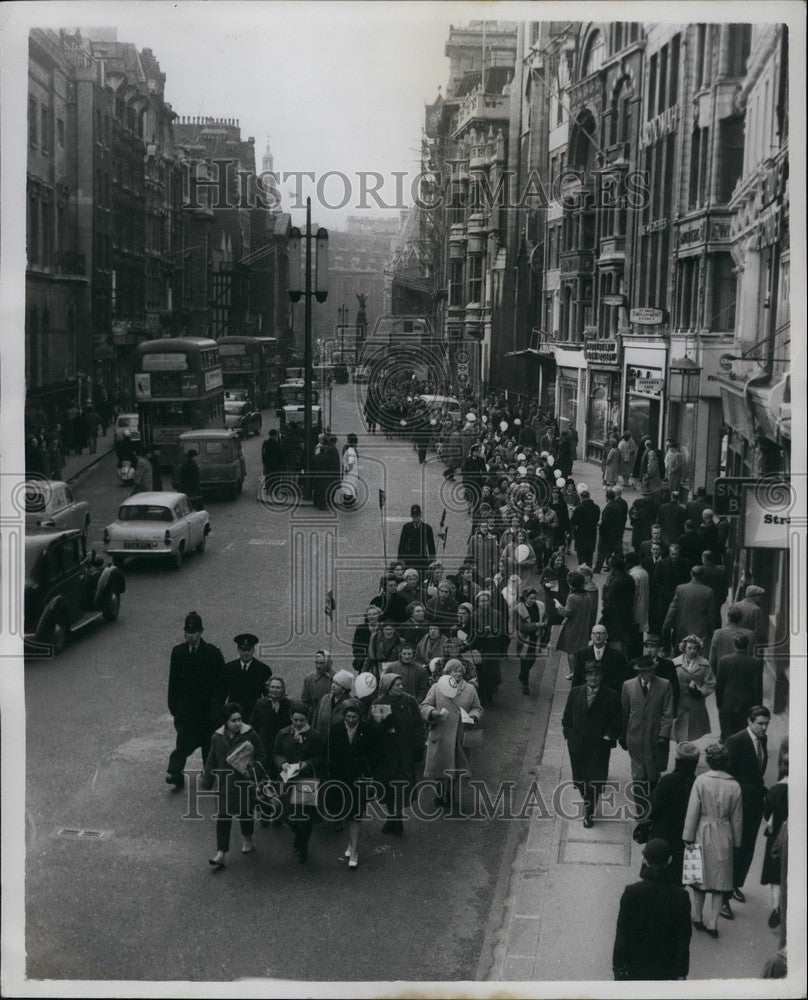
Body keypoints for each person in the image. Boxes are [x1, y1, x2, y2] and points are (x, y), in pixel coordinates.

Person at [682, 743, 743, 938]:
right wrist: (737, 842)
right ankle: (713, 923)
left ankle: (697, 917)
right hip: (724, 832)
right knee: (720, 881)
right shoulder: (734, 785)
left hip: (701, 831)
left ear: (708, 761)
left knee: (698, 878)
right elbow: (738, 818)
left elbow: (693, 812)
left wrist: (687, 837)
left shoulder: (701, 781)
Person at [612, 838, 692, 981]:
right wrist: (682, 972)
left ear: (645, 860)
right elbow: (683, 938)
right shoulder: (681, 896)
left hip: (635, 967)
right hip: (667, 969)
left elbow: (622, 933)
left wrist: (618, 966)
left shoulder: (632, 892)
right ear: (669, 860)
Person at [165, 611, 225, 791]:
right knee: (182, 743)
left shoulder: (212, 653)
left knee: (208, 744)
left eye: (194, 632)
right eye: (188, 632)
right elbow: (173, 681)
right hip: (186, 710)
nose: (190, 635)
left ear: (201, 632)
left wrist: (217, 708)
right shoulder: (178, 652)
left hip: (207, 711)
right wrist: (173, 706)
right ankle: (175, 774)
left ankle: (208, 777)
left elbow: (221, 684)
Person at [202, 702, 266, 868]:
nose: (237, 723)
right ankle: (221, 853)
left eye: (239, 719)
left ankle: (247, 838)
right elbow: (212, 759)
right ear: (225, 722)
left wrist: (252, 771)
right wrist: (207, 780)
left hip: (245, 782)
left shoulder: (250, 734)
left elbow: (261, 756)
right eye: (233, 720)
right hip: (225, 783)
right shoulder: (217, 737)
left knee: (245, 813)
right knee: (223, 816)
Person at [724, 705, 770, 918]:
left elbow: (757, 772)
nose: (764, 727)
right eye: (760, 723)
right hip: (738, 804)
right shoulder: (735, 741)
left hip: (754, 804)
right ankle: (723, 897)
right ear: (749, 722)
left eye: (766, 723)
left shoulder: (763, 739)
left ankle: (735, 884)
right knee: (734, 847)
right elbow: (726, 772)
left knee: (748, 847)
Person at [562, 661, 621, 827]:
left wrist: (609, 737)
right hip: (577, 745)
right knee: (580, 780)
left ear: (601, 677)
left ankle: (589, 810)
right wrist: (569, 735)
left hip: (599, 747)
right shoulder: (575, 693)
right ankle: (586, 798)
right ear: (585, 677)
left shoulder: (611, 695)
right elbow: (567, 718)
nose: (593, 678)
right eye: (590, 675)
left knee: (595, 781)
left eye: (597, 675)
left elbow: (617, 721)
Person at [420, 660, 483, 808]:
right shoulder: (436, 688)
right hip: (440, 733)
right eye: (454, 671)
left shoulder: (469, 690)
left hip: (459, 735)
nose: (458, 674)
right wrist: (432, 712)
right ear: (447, 673)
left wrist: (473, 716)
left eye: (460, 671)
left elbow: (477, 708)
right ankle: (440, 792)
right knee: (440, 768)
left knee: (456, 768)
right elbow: (425, 705)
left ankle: (451, 794)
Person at [323, 699, 376, 869]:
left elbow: (375, 753)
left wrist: (368, 772)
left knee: (356, 814)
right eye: (348, 716)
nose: (351, 720)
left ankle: (354, 850)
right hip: (341, 778)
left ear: (359, 716)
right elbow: (330, 754)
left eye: (354, 717)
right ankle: (350, 843)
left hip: (360, 778)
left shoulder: (367, 730)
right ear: (344, 715)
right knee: (347, 812)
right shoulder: (337, 729)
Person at [371, 673, 426, 836]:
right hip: (385, 755)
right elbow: (373, 729)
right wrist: (383, 725)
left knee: (401, 788)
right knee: (387, 788)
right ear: (388, 687)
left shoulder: (410, 701)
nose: (402, 687)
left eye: (401, 684)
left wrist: (418, 748)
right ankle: (391, 817)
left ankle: (398, 818)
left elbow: (418, 726)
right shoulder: (379, 703)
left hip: (404, 753)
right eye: (397, 685)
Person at [273, 702, 325, 863]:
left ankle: (303, 846)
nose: (298, 723)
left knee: (306, 816)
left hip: (306, 779)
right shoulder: (282, 734)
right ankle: (299, 836)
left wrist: (306, 764)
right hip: (287, 778)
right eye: (295, 720)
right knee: (287, 814)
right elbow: (276, 753)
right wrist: (282, 763)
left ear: (306, 720)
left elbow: (320, 757)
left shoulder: (315, 736)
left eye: (301, 720)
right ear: (291, 718)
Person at [646, 741, 701, 882]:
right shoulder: (698, 783)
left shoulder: (667, 781)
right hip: (687, 839)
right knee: (681, 882)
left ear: (677, 761)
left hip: (663, 835)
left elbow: (652, 809)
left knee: (655, 879)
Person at [620, 656, 674, 797]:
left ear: (653, 670)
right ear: (639, 672)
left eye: (650, 671)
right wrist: (622, 735)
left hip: (655, 737)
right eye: (643, 671)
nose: (647, 674)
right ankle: (641, 811)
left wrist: (664, 735)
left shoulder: (664, 684)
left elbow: (668, 713)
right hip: (635, 737)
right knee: (638, 774)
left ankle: (651, 806)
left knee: (653, 773)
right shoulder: (628, 686)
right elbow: (624, 712)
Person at [761, 736, 788, 929]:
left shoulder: (775, 790)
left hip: (777, 836)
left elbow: (767, 815)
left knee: (774, 873)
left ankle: (777, 905)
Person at [662, 565, 718, 655]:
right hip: (700, 631)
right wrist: (712, 631)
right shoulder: (709, 591)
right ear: (702, 576)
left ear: (691, 574)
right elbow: (711, 615)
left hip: (683, 629)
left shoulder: (680, 589)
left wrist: (666, 624)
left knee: (681, 656)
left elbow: (672, 608)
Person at [671, 635, 716, 743]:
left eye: (695, 648)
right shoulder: (674, 663)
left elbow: (710, 683)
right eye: (689, 648)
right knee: (680, 735)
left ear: (699, 649)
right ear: (684, 648)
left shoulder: (704, 664)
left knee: (693, 736)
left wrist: (700, 691)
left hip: (696, 704)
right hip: (679, 704)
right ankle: (681, 756)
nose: (692, 651)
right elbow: (670, 683)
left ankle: (690, 756)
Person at [219, 633, 272, 721]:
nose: (246, 653)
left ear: (253, 650)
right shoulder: (228, 668)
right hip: (233, 713)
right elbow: (222, 693)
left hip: (254, 714)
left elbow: (267, 695)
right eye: (243, 650)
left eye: (249, 649)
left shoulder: (263, 669)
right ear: (238, 650)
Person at [250, 677, 293, 777]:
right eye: (272, 687)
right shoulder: (260, 703)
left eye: (278, 687)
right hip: (265, 745)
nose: (275, 690)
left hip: (281, 748)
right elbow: (253, 723)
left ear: (283, 689)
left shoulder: (289, 704)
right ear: (268, 688)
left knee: (280, 776)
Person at [555, 570, 592, 681]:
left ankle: (573, 673)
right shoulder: (588, 596)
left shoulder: (572, 597)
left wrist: (558, 606)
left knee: (571, 652)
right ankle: (579, 672)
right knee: (580, 652)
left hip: (572, 627)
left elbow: (567, 613)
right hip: (584, 626)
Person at [571, 625, 631, 692]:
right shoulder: (581, 654)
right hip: (587, 693)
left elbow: (622, 679)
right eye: (595, 633)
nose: (598, 636)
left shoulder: (618, 655)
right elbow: (577, 677)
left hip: (609, 695)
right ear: (591, 636)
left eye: (601, 633)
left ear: (606, 636)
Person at [599, 555, 635, 654]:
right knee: (623, 641)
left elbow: (609, 600)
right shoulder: (630, 578)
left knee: (614, 641)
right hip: (626, 615)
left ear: (614, 568)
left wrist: (604, 614)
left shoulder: (616, 582)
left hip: (615, 618)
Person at [514, 587, 546, 695]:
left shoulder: (540, 605)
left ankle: (523, 674)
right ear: (525, 598)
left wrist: (544, 625)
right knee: (525, 661)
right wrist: (536, 625)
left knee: (532, 660)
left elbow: (545, 618)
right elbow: (520, 626)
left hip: (537, 638)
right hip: (524, 640)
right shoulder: (518, 609)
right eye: (531, 598)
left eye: (534, 598)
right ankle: (525, 685)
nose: (533, 601)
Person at [708, 605, 757, 675]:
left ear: (728, 619)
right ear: (741, 619)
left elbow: (712, 658)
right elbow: (755, 657)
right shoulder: (751, 634)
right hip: (745, 673)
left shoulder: (718, 633)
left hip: (724, 672)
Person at [397, 504, 436, 572]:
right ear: (411, 516)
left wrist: (432, 561)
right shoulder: (406, 527)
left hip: (422, 559)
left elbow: (431, 546)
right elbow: (402, 543)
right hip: (409, 559)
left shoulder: (427, 528)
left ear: (421, 515)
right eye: (414, 516)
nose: (416, 518)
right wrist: (400, 559)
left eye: (417, 515)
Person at [594, 490, 623, 573]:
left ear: (607, 497)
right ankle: (610, 567)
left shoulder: (609, 507)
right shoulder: (617, 506)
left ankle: (597, 568)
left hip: (606, 534)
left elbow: (605, 521)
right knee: (610, 552)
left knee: (601, 551)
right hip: (614, 533)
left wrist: (601, 530)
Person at [570, 488, 600, 568]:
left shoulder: (579, 508)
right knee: (589, 557)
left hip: (581, 535)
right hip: (592, 534)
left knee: (581, 557)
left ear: (581, 497)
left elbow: (573, 521)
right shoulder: (596, 507)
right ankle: (589, 572)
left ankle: (582, 573)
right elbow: (597, 519)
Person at [301, 649, 335, 715]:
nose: (318, 666)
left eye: (322, 663)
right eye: (316, 662)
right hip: (314, 716)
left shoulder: (336, 678)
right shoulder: (309, 679)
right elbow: (305, 702)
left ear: (328, 663)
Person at [340, 433, 359, 508]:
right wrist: (348, 470)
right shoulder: (351, 451)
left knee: (348, 488)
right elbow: (350, 462)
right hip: (351, 474)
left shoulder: (348, 450)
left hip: (349, 473)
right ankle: (348, 504)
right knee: (350, 488)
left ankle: (347, 502)